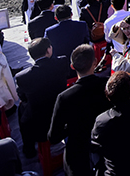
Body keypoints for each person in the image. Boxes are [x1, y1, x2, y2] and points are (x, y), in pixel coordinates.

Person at [48, 45, 110, 176]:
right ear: (95, 62)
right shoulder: (107, 85)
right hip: (108, 144)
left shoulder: (64, 97)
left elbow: (54, 136)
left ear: (72, 66)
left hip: (79, 152)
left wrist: (72, 128)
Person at [15, 37, 68, 158]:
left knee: (22, 109)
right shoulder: (61, 62)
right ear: (48, 50)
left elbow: (22, 96)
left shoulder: (23, 76)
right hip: (62, 115)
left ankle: (28, 149)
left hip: (39, 123)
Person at [44, 5, 90, 76]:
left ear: (56, 18)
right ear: (71, 14)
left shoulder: (49, 31)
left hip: (61, 67)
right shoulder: (82, 25)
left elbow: (47, 48)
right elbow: (87, 41)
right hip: (82, 63)